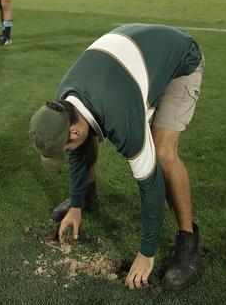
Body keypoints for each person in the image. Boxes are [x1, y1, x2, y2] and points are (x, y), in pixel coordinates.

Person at [29, 23, 205, 291]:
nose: (65, 153)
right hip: (135, 52)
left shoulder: (121, 117)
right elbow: (79, 147)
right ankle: (87, 197)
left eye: (63, 147)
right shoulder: (65, 104)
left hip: (180, 59)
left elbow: (150, 181)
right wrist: (76, 204)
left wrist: (147, 253)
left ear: (72, 130)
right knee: (83, 145)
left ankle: (188, 240)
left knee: (162, 152)